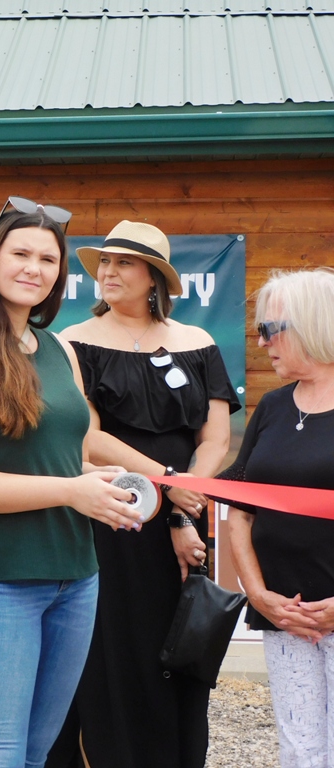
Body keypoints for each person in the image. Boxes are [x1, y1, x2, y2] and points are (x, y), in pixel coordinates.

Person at [0, 197, 146, 768]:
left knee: (33, 758)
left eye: (48, 259)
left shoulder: (58, 348)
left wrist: (98, 480)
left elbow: (63, 458)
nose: (34, 268)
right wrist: (71, 491)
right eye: (21, 253)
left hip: (74, 577)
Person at [47, 220, 240, 768]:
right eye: (104, 263)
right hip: (113, 512)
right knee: (114, 645)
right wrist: (166, 482)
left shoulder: (198, 343)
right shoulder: (74, 342)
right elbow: (87, 435)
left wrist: (186, 499)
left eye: (123, 263)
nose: (108, 272)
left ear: (154, 277)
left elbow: (215, 438)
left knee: (175, 643)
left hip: (183, 517)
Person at [226, 268, 334, 768]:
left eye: (270, 329)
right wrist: (258, 594)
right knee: (299, 751)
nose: (261, 342)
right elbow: (240, 509)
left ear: (313, 324)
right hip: (284, 614)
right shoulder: (270, 407)